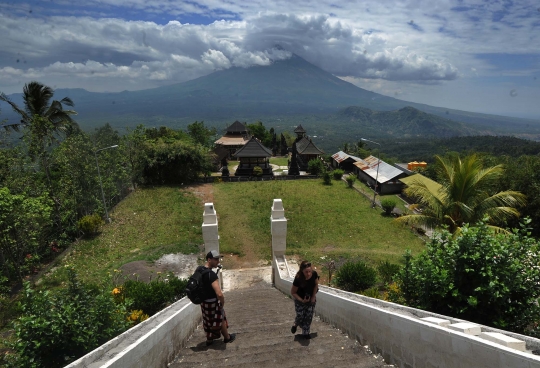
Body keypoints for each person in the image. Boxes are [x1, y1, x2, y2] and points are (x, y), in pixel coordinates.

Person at [199, 250, 236, 346]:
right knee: (220, 319)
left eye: (218, 259)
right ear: (209, 259)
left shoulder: (199, 269)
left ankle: (209, 340)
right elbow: (219, 294)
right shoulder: (211, 275)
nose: (218, 261)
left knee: (207, 320)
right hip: (212, 301)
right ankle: (227, 338)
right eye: (215, 259)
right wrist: (222, 302)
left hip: (203, 302)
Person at [290, 260, 319, 339]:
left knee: (308, 316)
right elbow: (293, 292)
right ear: (302, 271)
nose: (308, 274)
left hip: (311, 298)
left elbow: (316, 284)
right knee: (300, 315)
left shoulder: (314, 274)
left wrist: (313, 296)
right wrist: (302, 300)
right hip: (300, 300)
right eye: (306, 272)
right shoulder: (298, 278)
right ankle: (296, 323)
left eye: (310, 271)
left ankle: (305, 333)